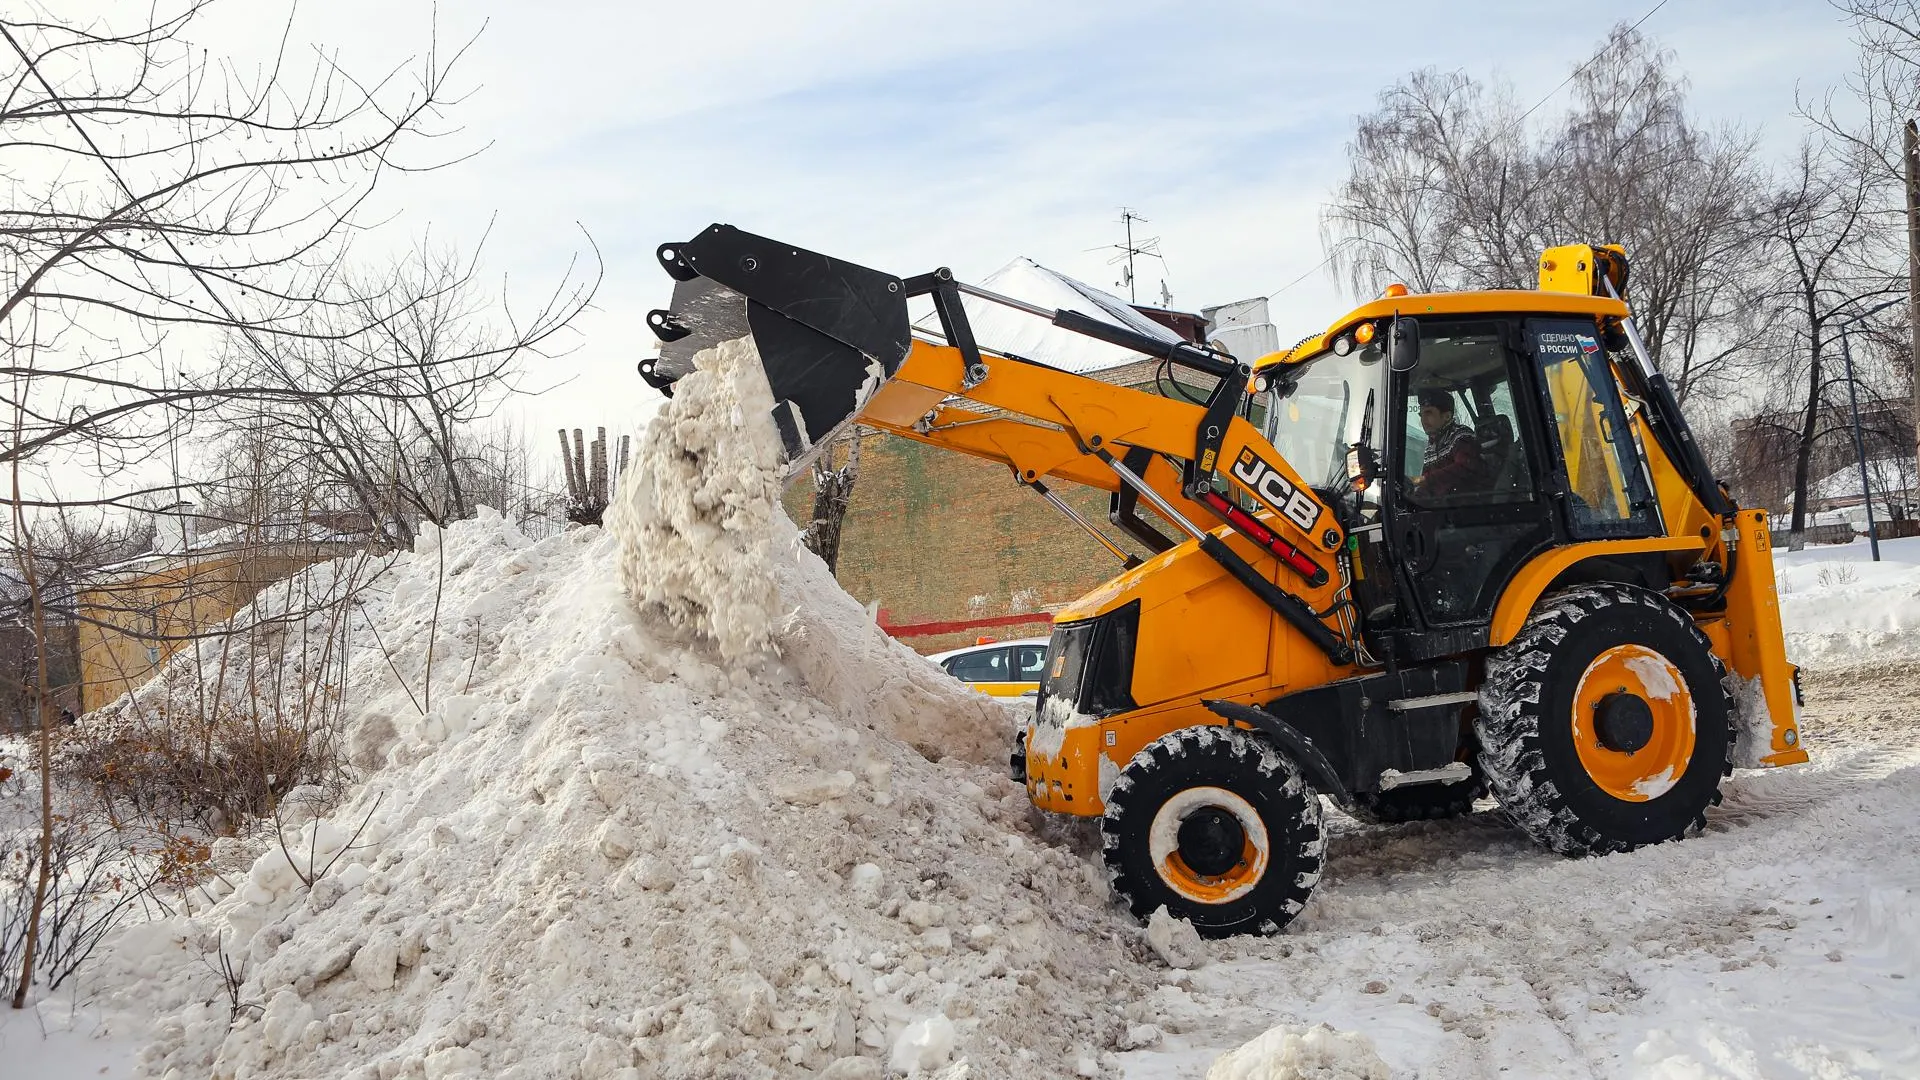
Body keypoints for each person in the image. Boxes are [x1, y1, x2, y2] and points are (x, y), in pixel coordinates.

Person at [1413, 389, 1488, 497]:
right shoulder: (1430, 448)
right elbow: (1426, 485)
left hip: (1466, 505)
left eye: (1428, 413)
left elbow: (1463, 468)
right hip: (1440, 507)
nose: (1423, 420)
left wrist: (1423, 479)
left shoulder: (1461, 435)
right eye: (1421, 415)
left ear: (1447, 416)